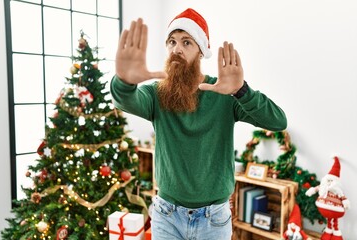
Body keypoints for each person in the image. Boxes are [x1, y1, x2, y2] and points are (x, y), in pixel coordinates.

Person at [111, 8, 287, 240]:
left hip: (213, 219)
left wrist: (241, 91)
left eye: (186, 42)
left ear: (201, 51)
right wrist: (124, 81)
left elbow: (277, 121)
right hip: (167, 215)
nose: (176, 49)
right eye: (172, 41)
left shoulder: (223, 92)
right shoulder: (156, 93)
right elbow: (125, 100)